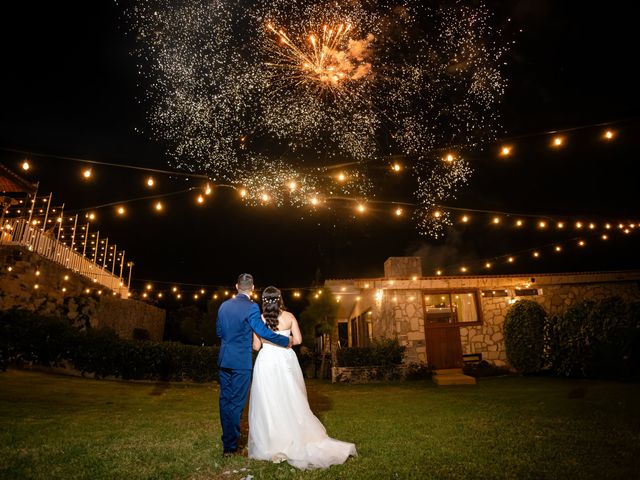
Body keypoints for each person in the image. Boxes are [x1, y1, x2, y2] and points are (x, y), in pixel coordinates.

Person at [248, 286, 357, 469]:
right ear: (280, 298)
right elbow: (298, 340)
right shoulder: (289, 317)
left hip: (266, 361)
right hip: (285, 359)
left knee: (269, 400)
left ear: (264, 301)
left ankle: (272, 441)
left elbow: (256, 346)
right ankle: (294, 436)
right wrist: (285, 337)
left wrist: (262, 339)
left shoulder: (259, 320)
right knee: (290, 397)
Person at [216, 274, 292, 457]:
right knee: (236, 404)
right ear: (252, 288)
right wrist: (283, 341)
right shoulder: (251, 307)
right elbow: (261, 330)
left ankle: (227, 439)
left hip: (224, 359)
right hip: (241, 362)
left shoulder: (223, 306)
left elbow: (219, 332)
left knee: (225, 401)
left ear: (236, 286)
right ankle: (230, 446)